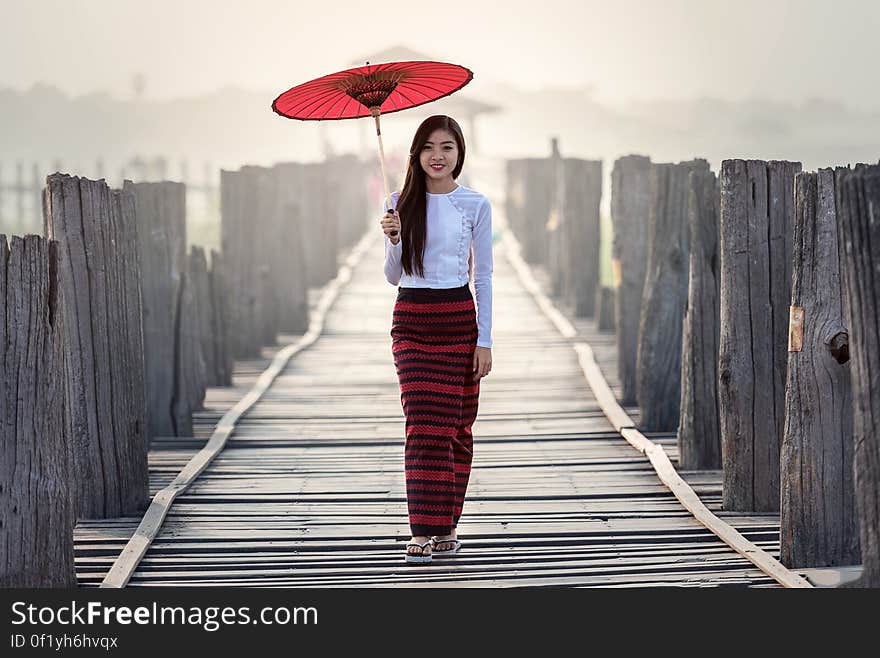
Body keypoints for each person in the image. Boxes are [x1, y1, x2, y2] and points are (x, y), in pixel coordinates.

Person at [379, 115, 493, 564]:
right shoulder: (397, 203)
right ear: (416, 154)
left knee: (456, 430)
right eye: (428, 147)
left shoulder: (475, 205)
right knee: (423, 425)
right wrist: (392, 239)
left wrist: (484, 340)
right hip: (412, 320)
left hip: (457, 319)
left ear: (459, 153)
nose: (438, 156)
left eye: (447, 147)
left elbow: (481, 275)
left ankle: (446, 527)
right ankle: (423, 529)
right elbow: (393, 276)